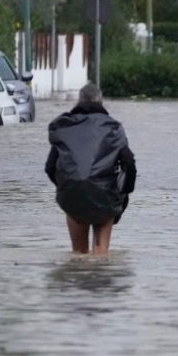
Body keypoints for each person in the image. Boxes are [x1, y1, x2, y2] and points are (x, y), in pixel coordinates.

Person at [45, 84, 136, 256]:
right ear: (101, 102)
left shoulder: (65, 127)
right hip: (105, 198)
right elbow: (129, 163)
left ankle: (77, 277)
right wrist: (124, 192)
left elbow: (50, 167)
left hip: (72, 197)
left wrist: (67, 185)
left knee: (78, 255)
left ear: (79, 101)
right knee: (101, 256)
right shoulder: (113, 128)